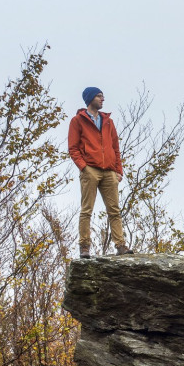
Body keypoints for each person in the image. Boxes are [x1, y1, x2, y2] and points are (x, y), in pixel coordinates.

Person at [68, 86, 133, 258]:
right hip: (90, 170)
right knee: (86, 210)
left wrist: (118, 170)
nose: (102, 99)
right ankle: (84, 247)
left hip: (109, 172)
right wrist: (84, 167)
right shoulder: (78, 121)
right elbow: (73, 148)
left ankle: (120, 245)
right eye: (99, 96)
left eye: (103, 96)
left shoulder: (108, 121)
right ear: (90, 99)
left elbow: (115, 147)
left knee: (114, 210)